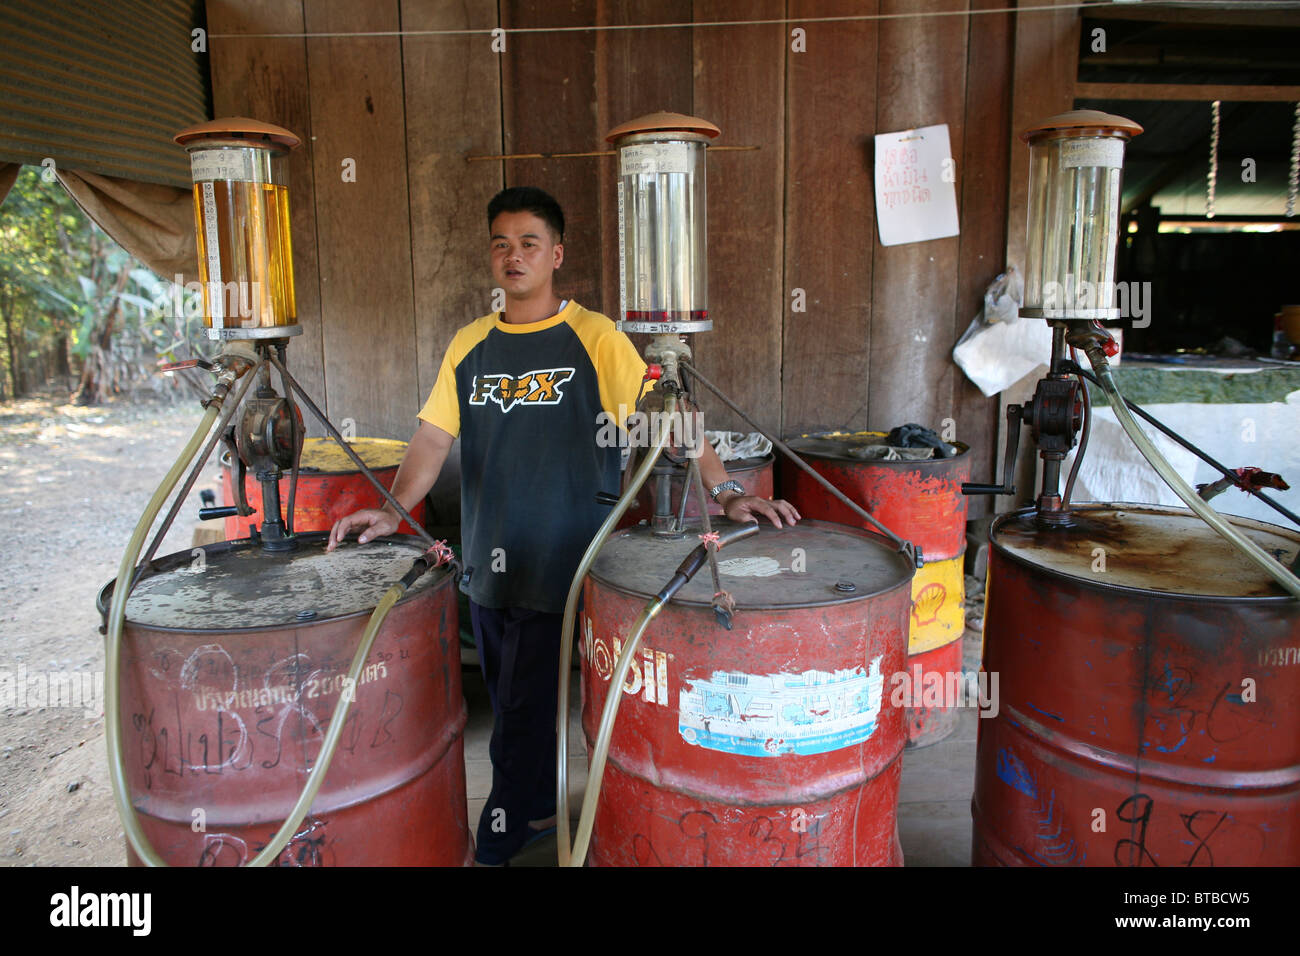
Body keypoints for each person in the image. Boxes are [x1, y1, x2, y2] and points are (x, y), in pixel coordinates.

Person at [327, 186, 799, 865]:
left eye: (527, 243)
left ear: (555, 254)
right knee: (513, 693)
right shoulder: (470, 345)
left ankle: (503, 830)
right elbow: (431, 442)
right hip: (488, 558)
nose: (512, 256)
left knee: (521, 708)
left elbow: (672, 415)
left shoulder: (595, 336)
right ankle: (545, 810)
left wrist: (726, 490)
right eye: (500, 244)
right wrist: (393, 508)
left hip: (565, 558)